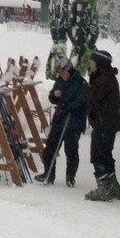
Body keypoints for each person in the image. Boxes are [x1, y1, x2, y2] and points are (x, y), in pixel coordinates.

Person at [34, 58, 88, 186]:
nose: (61, 75)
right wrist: (54, 95)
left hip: (73, 121)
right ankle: (49, 174)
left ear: (69, 70)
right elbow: (52, 97)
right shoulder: (59, 81)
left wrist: (69, 106)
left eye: (63, 72)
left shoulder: (80, 82)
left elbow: (83, 100)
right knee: (50, 148)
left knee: (71, 150)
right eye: (59, 73)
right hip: (59, 119)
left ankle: (70, 177)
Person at [83, 48, 120, 201]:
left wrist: (84, 87)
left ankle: (103, 188)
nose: (89, 65)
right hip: (107, 123)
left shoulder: (104, 79)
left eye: (91, 62)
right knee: (105, 154)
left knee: (98, 155)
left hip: (104, 123)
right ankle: (113, 187)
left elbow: (93, 97)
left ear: (99, 63)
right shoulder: (105, 77)